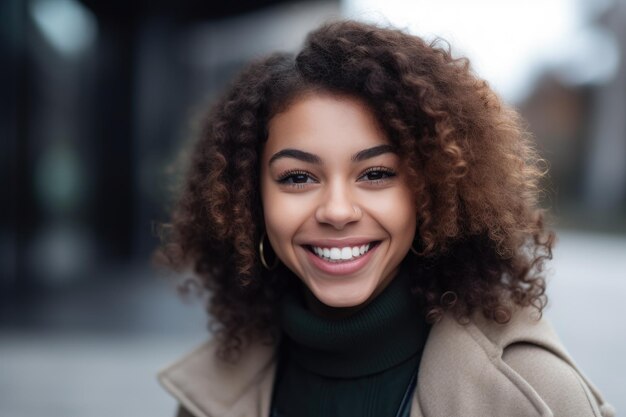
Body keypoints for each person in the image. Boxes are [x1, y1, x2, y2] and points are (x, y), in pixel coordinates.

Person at [156, 20, 614, 417]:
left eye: (376, 174)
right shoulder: (210, 396)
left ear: (431, 189)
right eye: (297, 177)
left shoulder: (532, 394)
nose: (337, 211)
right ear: (251, 199)